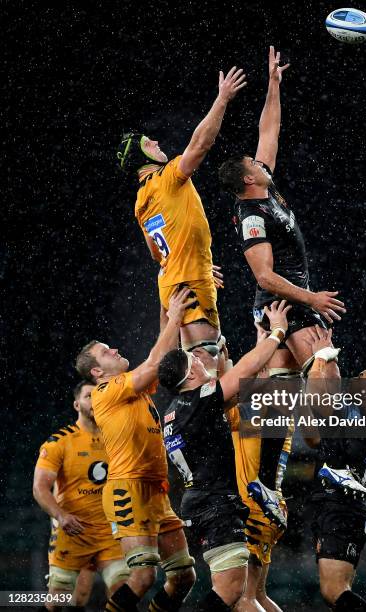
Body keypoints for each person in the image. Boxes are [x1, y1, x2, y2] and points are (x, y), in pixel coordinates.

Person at [219, 46, 346, 525]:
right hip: (285, 301)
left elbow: (267, 130)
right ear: (247, 178)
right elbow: (264, 276)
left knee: (275, 399)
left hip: (285, 304)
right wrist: (311, 298)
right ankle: (329, 458)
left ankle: (261, 485)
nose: (259, 159)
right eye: (253, 162)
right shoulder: (251, 215)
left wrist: (273, 84)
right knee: (323, 365)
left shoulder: (264, 184)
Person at [158, 301, 292, 612]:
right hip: (215, 503)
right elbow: (243, 374)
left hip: (204, 501)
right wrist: (277, 333)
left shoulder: (177, 411)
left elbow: (243, 386)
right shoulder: (200, 401)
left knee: (233, 591)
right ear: (191, 370)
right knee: (233, 591)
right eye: (196, 357)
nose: (203, 359)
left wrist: (261, 343)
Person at [75, 288, 197, 612]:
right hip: (127, 489)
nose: (114, 349)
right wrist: (173, 315)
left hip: (157, 491)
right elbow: (156, 361)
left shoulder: (132, 386)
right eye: (105, 351)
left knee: (184, 577)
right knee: (143, 577)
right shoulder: (105, 391)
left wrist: (164, 297)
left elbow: (164, 352)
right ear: (97, 372)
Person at [116, 64, 246, 360]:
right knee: (207, 368)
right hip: (188, 282)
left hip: (174, 280)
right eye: (150, 143)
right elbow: (201, 144)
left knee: (212, 364)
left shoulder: (141, 201)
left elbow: (155, 253)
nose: (157, 143)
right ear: (141, 156)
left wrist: (183, 257)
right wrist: (222, 99)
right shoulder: (167, 178)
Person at [302, 325, 366, 612]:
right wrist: (326, 362)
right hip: (340, 506)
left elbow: (320, 397)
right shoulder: (361, 414)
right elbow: (314, 436)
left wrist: (322, 356)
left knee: (334, 591)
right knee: (337, 593)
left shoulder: (361, 417)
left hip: (341, 506)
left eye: (361, 378)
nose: (355, 378)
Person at [33, 381, 129, 611]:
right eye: (89, 396)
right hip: (73, 530)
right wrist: (61, 516)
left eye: (98, 396)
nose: (95, 400)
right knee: (67, 599)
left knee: (123, 589)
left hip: (110, 531)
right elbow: (40, 488)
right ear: (77, 404)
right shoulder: (60, 442)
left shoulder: (116, 439)